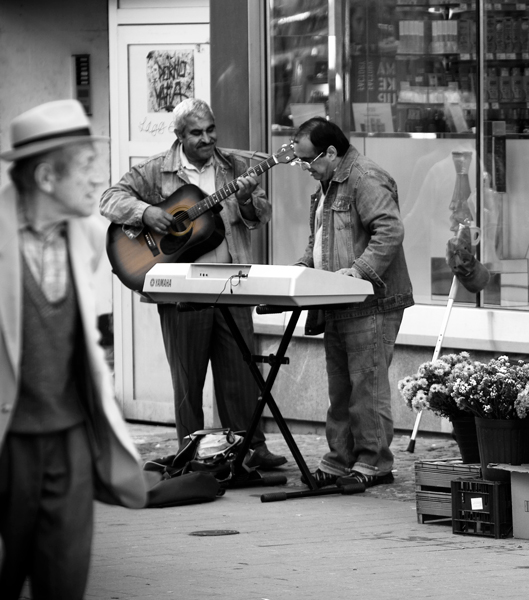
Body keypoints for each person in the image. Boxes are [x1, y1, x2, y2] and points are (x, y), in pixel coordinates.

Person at [0, 99, 148, 599]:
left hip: (69, 440)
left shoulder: (84, 236)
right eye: (85, 168)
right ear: (45, 178)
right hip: (6, 444)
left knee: (63, 583)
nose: (95, 182)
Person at [100, 98, 285, 470]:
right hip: (181, 288)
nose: (207, 138)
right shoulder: (155, 171)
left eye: (211, 130)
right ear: (180, 135)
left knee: (240, 373)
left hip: (232, 285)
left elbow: (260, 216)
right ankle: (191, 450)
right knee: (188, 378)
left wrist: (248, 199)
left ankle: (249, 449)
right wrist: (147, 212)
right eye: (197, 133)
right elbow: (109, 199)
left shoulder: (236, 165)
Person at [292, 117, 413, 488]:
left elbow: (389, 230)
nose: (305, 169)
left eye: (308, 161)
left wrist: (359, 272)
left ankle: (374, 463)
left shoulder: (364, 176)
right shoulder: (328, 183)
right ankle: (339, 459)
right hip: (338, 301)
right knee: (340, 387)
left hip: (371, 300)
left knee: (367, 386)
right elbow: (321, 238)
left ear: (330, 152)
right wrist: (301, 269)